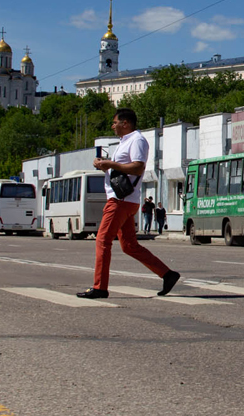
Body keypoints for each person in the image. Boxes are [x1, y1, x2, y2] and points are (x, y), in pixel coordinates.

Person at [77, 109, 180, 299]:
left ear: (126, 123)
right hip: (123, 200)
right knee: (129, 246)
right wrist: (104, 165)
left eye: (115, 122)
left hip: (120, 201)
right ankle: (167, 274)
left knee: (102, 241)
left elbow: (138, 167)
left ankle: (100, 287)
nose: (112, 126)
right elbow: (123, 170)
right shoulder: (125, 142)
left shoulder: (137, 140)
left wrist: (110, 164)